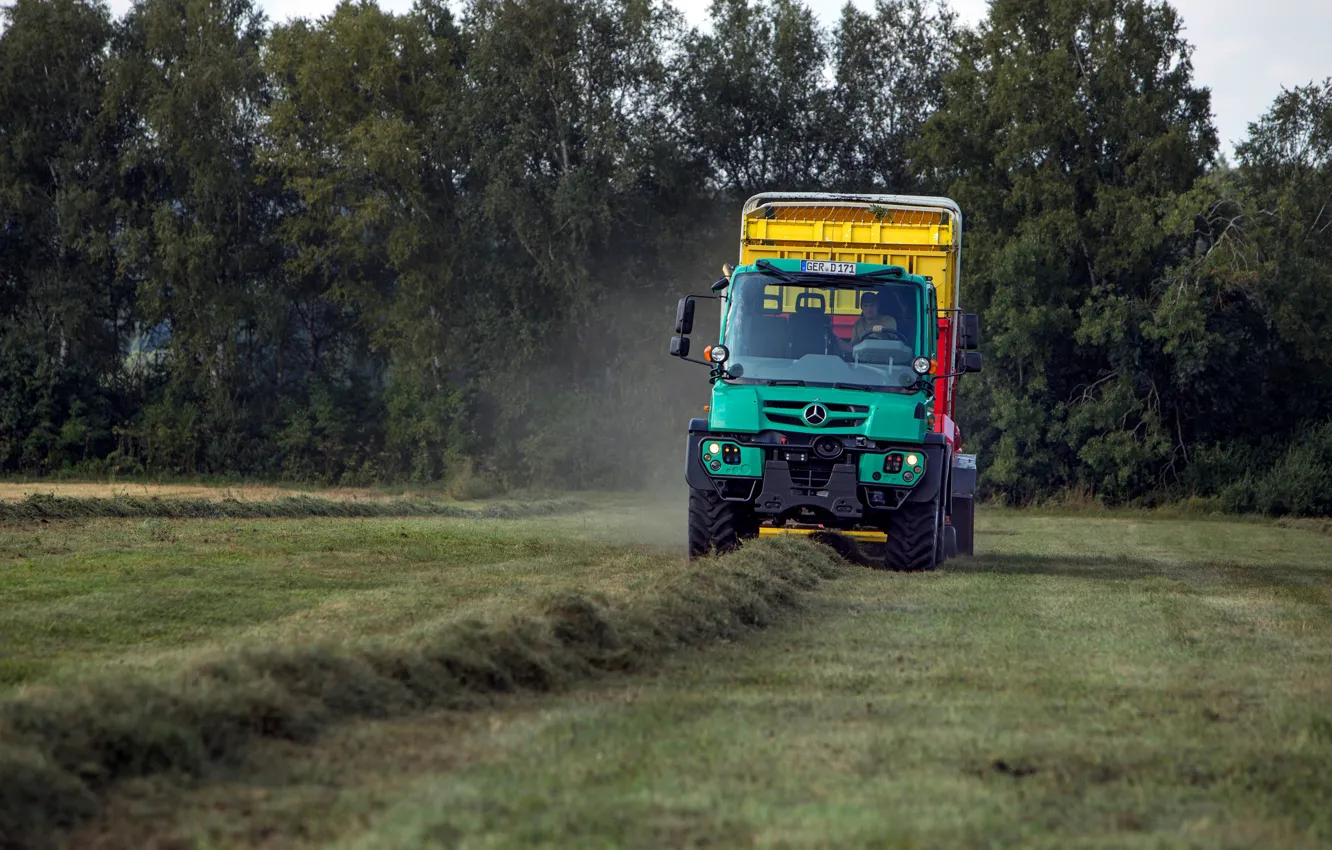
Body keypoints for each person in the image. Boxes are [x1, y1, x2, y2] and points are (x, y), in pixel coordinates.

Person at [832, 291, 897, 354]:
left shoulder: (888, 320)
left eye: (872, 305)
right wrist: (836, 340)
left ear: (877, 306)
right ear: (861, 307)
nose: (869, 309)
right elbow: (852, 348)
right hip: (862, 361)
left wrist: (883, 330)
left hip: (885, 360)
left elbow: (894, 343)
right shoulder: (859, 323)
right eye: (865, 306)